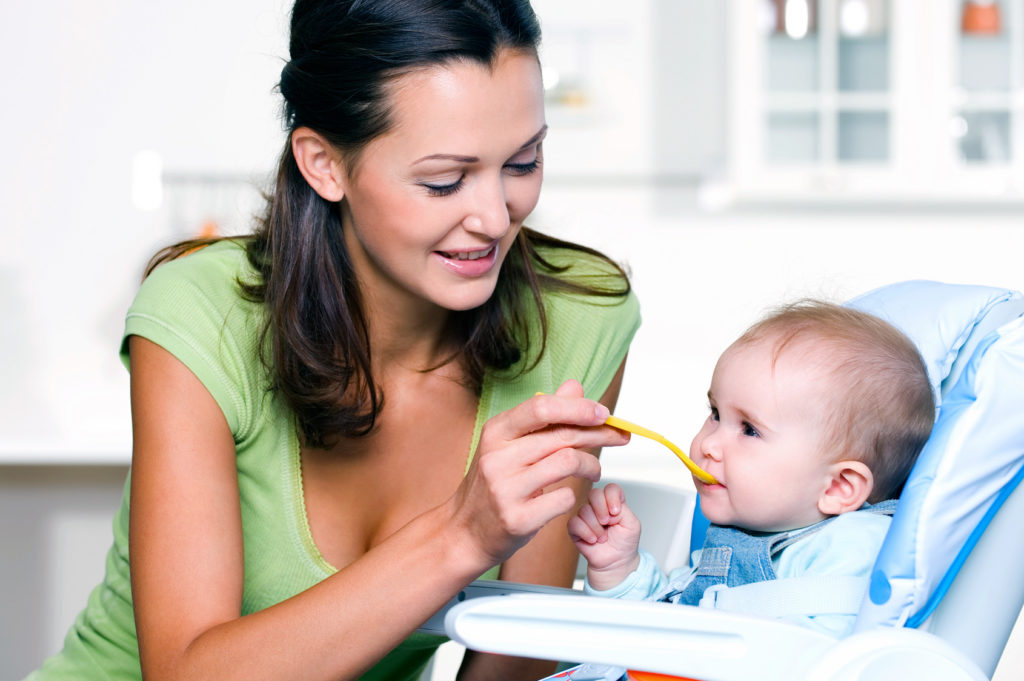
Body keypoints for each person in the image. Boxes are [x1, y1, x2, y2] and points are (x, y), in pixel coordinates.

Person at [27, 2, 640, 680]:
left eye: (522, 162)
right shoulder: (203, 313)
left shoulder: (580, 318)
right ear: (324, 164)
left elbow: (519, 657)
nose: (495, 218)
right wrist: (463, 533)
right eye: (444, 180)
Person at [570, 301, 933, 638]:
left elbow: (827, 659)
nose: (708, 444)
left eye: (749, 429)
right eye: (715, 414)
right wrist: (619, 569)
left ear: (838, 486)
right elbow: (664, 628)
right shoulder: (739, 535)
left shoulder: (849, 548)